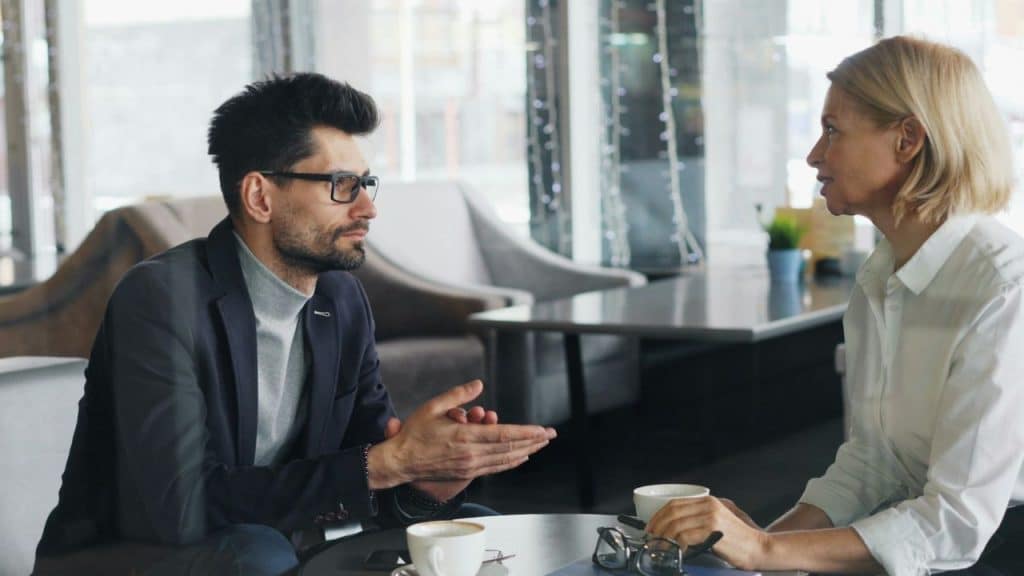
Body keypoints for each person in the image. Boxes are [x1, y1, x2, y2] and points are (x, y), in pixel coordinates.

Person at [34, 73, 556, 575]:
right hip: (136, 557)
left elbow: (366, 470)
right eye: (342, 185)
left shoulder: (340, 296)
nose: (368, 207)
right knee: (256, 555)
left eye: (366, 183)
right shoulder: (160, 300)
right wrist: (386, 464)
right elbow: (182, 505)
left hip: (287, 538)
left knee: (477, 531)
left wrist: (429, 477)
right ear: (260, 196)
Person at [646, 36, 1024, 575]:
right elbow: (873, 463)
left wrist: (764, 551)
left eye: (832, 131)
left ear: (908, 139)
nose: (813, 156)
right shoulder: (881, 274)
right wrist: (751, 550)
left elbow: (958, 522)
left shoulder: (1004, 286)